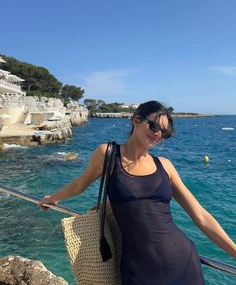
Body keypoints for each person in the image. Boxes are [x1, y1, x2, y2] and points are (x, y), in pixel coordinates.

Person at [39, 100, 236, 285]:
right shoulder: (108, 154)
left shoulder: (165, 166)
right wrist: (53, 198)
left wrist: (235, 252)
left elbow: (200, 216)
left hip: (182, 262)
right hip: (137, 268)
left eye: (164, 133)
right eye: (154, 126)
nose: (158, 134)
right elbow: (79, 185)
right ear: (136, 120)